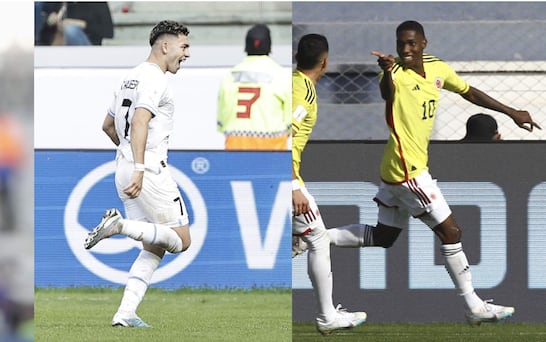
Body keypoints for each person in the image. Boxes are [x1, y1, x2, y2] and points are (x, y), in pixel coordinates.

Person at [300, 20, 541, 326]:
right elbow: (387, 94)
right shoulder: (395, 74)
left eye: (412, 43)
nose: (405, 49)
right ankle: (474, 306)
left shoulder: (437, 68)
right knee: (451, 232)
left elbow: (469, 92)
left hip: (401, 168)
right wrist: (387, 70)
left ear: (424, 43)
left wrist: (512, 112)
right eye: (401, 44)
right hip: (406, 170)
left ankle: (316, 237)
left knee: (384, 236)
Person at [83, 20, 191, 328]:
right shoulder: (156, 79)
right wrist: (142, 167)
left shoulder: (129, 77)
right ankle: (118, 225)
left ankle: (125, 313)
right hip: (149, 167)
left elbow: (107, 125)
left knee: (153, 247)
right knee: (182, 241)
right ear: (164, 46)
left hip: (123, 165)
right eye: (183, 47)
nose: (187, 54)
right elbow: (141, 120)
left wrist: (129, 156)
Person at [290, 33, 367, 335]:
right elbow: (287, 134)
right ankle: (326, 317)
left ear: (297, 58)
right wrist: (293, 185)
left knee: (312, 236)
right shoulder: (303, 94)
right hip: (287, 177)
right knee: (319, 239)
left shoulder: (294, 83)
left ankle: (294, 239)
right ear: (325, 62)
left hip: (284, 174)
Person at [217, 24, 292, 150]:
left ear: (246, 46)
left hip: (236, 143)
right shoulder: (281, 76)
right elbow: (291, 119)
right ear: (270, 46)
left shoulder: (230, 76)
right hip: (272, 145)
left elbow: (222, 119)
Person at [36, 2, 114, 46]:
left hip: (88, 47)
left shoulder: (97, 3)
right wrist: (48, 21)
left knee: (71, 30)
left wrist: (82, 24)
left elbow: (109, 32)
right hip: (58, 45)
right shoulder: (58, 4)